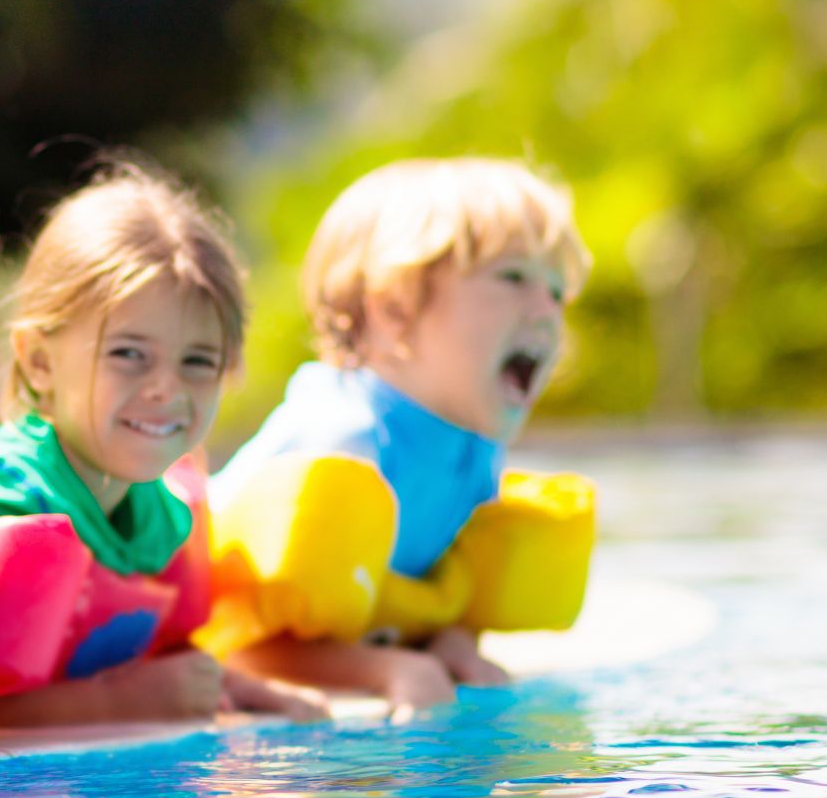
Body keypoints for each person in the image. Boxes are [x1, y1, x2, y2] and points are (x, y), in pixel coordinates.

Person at [0, 161, 325, 727]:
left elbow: (156, 661)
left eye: (198, 361)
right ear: (40, 361)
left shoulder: (156, 510)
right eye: (129, 354)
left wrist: (239, 689)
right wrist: (111, 703)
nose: (166, 388)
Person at [203, 157, 596, 720]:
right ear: (392, 311)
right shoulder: (345, 441)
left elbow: (436, 589)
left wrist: (452, 643)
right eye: (512, 278)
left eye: (557, 290)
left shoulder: (472, 446)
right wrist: (385, 670)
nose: (547, 312)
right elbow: (236, 642)